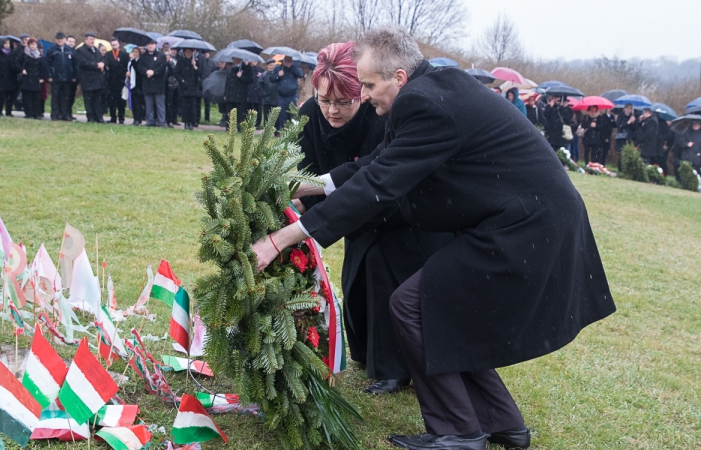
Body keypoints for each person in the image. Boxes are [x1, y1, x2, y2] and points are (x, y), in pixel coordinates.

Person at [252, 27, 615, 450]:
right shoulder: (432, 91)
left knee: (413, 304)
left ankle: (458, 432)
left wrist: (283, 238)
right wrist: (296, 185)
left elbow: (380, 185)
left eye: (368, 85)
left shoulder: (425, 105)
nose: (364, 96)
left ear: (399, 78)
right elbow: (373, 165)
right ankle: (503, 422)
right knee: (440, 305)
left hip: (526, 226)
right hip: (525, 219)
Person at [294, 42, 453, 395]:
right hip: (348, 211)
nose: (331, 111)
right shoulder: (310, 116)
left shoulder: (382, 117)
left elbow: (380, 178)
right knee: (356, 285)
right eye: (324, 100)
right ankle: (368, 355)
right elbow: (305, 176)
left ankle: (395, 368)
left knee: (387, 280)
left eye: (342, 102)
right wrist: (297, 210)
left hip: (399, 212)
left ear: (361, 96)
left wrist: (321, 213)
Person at [75, 32, 106, 123]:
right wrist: (96, 65)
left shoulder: (96, 50)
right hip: (87, 79)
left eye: (93, 39)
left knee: (97, 100)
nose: (92, 41)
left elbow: (102, 59)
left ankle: (99, 117)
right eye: (90, 39)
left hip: (98, 79)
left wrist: (102, 63)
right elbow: (83, 63)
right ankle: (91, 117)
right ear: (86, 39)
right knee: (89, 100)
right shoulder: (80, 50)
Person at [46, 32, 76, 121]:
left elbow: (75, 64)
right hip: (55, 78)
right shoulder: (52, 50)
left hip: (67, 77)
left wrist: (74, 75)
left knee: (66, 97)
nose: (60, 40)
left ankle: (65, 114)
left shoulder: (70, 50)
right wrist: (49, 75)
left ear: (64, 40)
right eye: (58, 39)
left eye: (61, 39)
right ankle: (54, 114)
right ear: (56, 40)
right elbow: (47, 64)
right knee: (55, 96)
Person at [16, 37, 48, 119]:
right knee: (27, 97)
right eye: (31, 44)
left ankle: (36, 113)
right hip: (27, 78)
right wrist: (21, 70)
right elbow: (16, 63)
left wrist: (42, 77)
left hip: (36, 79)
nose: (33, 46)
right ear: (29, 45)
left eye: (35, 44)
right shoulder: (24, 54)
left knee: (36, 97)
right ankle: (28, 113)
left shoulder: (39, 56)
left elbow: (43, 67)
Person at [138, 38, 167, 127]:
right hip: (147, 83)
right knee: (149, 104)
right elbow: (139, 67)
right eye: (149, 44)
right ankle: (150, 121)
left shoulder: (161, 56)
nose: (150, 46)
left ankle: (161, 122)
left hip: (158, 84)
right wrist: (146, 71)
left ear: (155, 45)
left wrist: (154, 72)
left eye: (152, 44)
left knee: (160, 104)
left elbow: (162, 67)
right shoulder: (143, 57)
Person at [270, 55, 303, 130]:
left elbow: (300, 74)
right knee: (282, 114)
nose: (288, 61)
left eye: (290, 60)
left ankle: (293, 130)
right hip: (281, 96)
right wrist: (278, 75)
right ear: (284, 60)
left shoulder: (294, 68)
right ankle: (283, 130)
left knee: (293, 114)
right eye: (287, 60)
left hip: (292, 95)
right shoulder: (278, 68)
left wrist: (291, 67)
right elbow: (271, 79)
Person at [173, 47, 202, 130]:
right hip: (184, 87)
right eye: (187, 52)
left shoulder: (195, 61)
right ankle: (186, 122)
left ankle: (192, 123)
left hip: (193, 87)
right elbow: (176, 73)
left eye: (190, 52)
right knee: (185, 106)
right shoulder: (181, 61)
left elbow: (200, 73)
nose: (188, 54)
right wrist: (182, 80)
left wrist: (195, 66)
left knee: (192, 106)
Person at [105, 38, 129, 124]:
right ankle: (113, 117)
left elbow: (127, 67)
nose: (115, 46)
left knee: (121, 101)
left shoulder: (125, 55)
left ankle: (121, 118)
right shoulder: (108, 55)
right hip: (111, 81)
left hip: (121, 81)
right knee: (111, 100)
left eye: (116, 45)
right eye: (113, 45)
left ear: (119, 44)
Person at [224, 57, 253, 131]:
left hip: (241, 95)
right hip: (231, 94)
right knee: (230, 112)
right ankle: (229, 127)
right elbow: (228, 82)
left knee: (241, 113)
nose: (233, 60)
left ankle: (240, 127)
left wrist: (241, 77)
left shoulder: (246, 68)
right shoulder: (231, 68)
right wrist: (225, 93)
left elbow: (250, 80)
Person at [0, 38, 17, 117]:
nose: (7, 45)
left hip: (11, 78)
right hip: (2, 78)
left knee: (11, 96)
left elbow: (15, 65)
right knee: (2, 95)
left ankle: (8, 111)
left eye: (8, 44)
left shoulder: (12, 54)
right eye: (5, 44)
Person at [613, 103, 637, 172]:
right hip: (621, 138)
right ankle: (620, 169)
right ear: (625, 108)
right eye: (628, 108)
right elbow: (619, 126)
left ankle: (625, 169)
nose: (629, 110)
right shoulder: (620, 116)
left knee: (627, 154)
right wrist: (628, 122)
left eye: (630, 109)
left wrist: (633, 122)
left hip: (628, 138)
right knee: (621, 154)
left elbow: (634, 129)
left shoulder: (632, 117)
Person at [127, 47, 145, 126]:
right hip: (132, 83)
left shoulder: (140, 61)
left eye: (137, 52)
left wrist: (133, 60)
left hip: (139, 84)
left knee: (138, 103)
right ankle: (135, 118)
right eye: (134, 52)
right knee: (134, 102)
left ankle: (139, 119)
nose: (135, 53)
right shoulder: (131, 61)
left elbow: (138, 69)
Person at [258, 59, 279, 127]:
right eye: (269, 65)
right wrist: (263, 94)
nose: (271, 67)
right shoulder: (263, 75)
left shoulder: (277, 75)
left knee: (276, 116)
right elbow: (259, 85)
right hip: (266, 99)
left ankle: (276, 130)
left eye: (272, 65)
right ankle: (266, 129)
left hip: (276, 98)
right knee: (267, 115)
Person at [164, 50, 179, 128]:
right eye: (166, 55)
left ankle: (173, 119)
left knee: (173, 103)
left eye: (168, 55)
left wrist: (169, 63)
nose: (167, 57)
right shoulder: (162, 63)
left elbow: (174, 71)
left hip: (173, 85)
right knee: (167, 103)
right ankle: (167, 119)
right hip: (165, 85)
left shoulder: (173, 62)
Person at [247, 61, 263, 128]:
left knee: (258, 109)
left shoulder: (260, 70)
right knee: (249, 109)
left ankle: (257, 124)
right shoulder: (247, 69)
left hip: (258, 93)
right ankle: (249, 123)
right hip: (249, 92)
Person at [66, 35, 78, 119]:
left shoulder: (75, 52)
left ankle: (69, 113)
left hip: (73, 79)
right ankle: (64, 113)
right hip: (65, 78)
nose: (71, 43)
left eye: (73, 42)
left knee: (71, 97)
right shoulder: (64, 51)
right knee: (65, 96)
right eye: (70, 41)